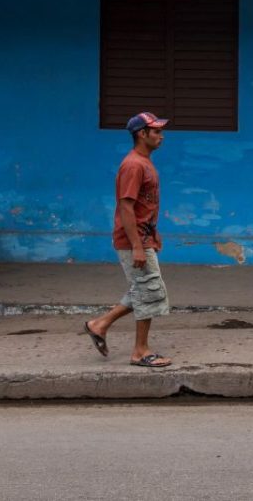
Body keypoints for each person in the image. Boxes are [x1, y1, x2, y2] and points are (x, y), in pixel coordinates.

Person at [84, 112, 173, 368]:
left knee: (145, 288)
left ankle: (99, 325)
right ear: (142, 134)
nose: (161, 136)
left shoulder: (144, 162)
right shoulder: (133, 165)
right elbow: (125, 206)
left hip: (143, 236)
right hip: (134, 240)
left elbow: (144, 206)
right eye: (156, 131)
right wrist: (137, 246)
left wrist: (152, 233)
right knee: (149, 292)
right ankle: (140, 352)